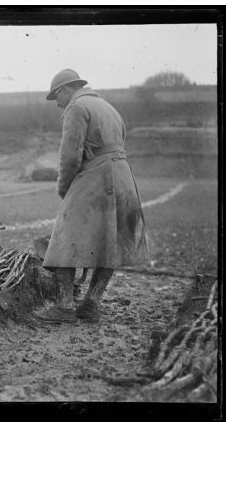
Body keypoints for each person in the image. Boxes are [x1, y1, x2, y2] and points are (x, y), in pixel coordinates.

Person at [36, 69, 149, 324]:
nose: (57, 104)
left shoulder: (77, 108)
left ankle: (64, 307)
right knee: (111, 242)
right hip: (124, 178)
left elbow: (70, 156)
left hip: (96, 177)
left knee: (63, 238)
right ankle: (91, 305)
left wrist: (65, 189)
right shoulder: (109, 108)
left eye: (56, 97)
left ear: (66, 89)